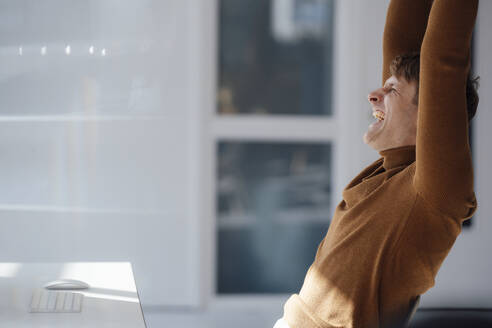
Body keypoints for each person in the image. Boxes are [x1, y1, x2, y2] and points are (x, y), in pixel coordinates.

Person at [274, 0, 479, 327]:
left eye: (391, 90)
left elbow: (442, 58)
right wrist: (398, 83)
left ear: (427, 114)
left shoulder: (434, 193)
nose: (374, 94)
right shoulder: (392, 171)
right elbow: (400, 34)